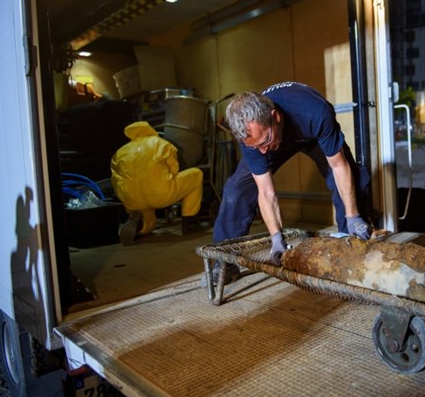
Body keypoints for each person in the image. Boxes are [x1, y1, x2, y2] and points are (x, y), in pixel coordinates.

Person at [212, 82, 372, 281]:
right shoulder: (252, 137)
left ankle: (352, 247)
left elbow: (339, 167)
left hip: (311, 133)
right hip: (276, 136)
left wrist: (353, 216)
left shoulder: (316, 112)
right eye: (255, 147)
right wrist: (276, 238)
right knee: (237, 190)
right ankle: (225, 261)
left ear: (275, 117)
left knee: (354, 177)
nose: (262, 152)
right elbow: (266, 192)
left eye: (263, 143)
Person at [111, 121, 204, 245]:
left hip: (132, 201)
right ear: (150, 130)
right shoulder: (161, 144)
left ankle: (141, 226)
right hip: (160, 194)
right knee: (196, 174)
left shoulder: (120, 152)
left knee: (147, 214)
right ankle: (189, 221)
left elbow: (115, 179)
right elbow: (174, 169)